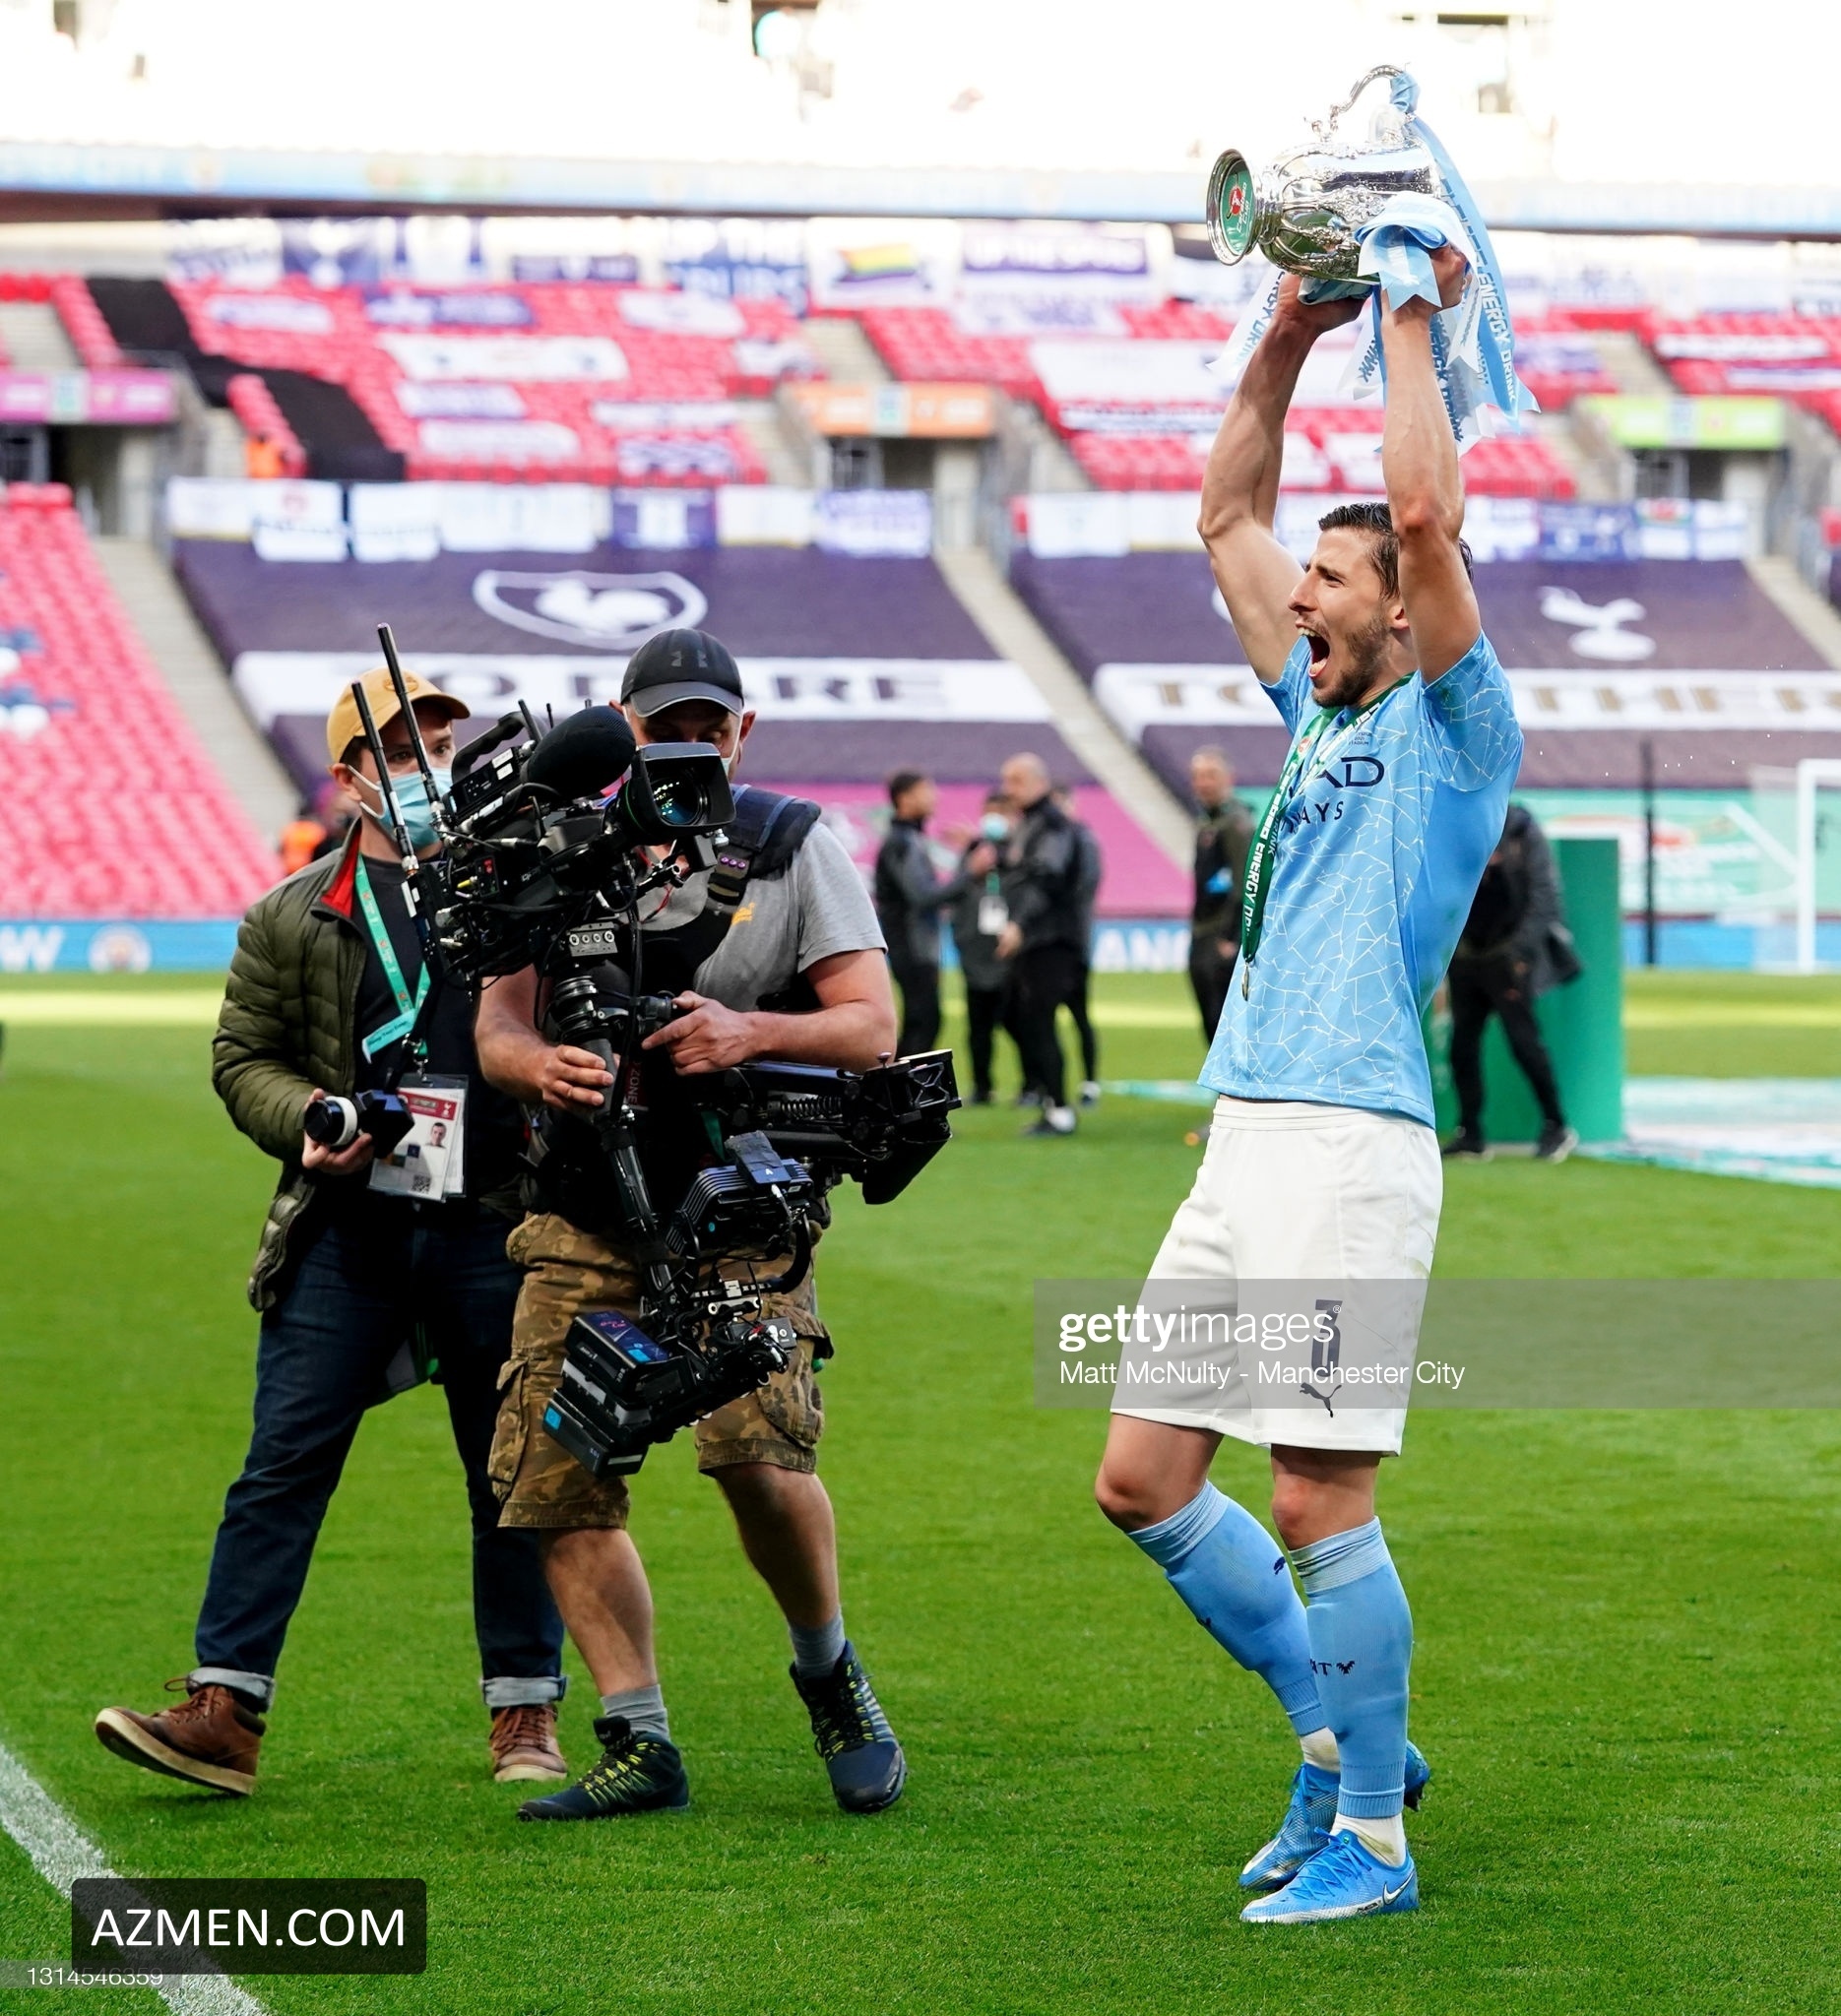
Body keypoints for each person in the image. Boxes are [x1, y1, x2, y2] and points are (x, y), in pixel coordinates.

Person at [1093, 252, 1522, 1923]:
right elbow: (1223, 514)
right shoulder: (1315, 713)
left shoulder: (1452, 725)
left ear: (1403, 608)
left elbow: (1420, 515)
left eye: (1329, 583)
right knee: (1142, 1478)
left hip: (1349, 1146)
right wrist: (1283, 334)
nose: (1301, 601)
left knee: (1312, 1491)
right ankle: (1344, 1743)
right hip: (1249, 1136)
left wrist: (1406, 304)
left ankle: (1374, 1842)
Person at [95, 668, 569, 1798]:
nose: (430, 767)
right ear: (350, 776)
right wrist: (308, 1117)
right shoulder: (292, 911)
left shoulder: (518, 891)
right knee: (282, 1462)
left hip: (493, 1217)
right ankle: (224, 1710)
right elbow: (242, 1057)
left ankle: (526, 1709)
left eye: (442, 744)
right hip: (344, 1224)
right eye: (402, 750)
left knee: (510, 1471)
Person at [474, 626, 910, 1823]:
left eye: (707, 728)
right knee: (553, 1472)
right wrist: (534, 1064)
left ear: (742, 732)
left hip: (738, 1203)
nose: (687, 748)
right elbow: (498, 1022)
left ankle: (829, 1672)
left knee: (758, 1450)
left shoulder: (790, 842)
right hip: (580, 1201)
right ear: (623, 729)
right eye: (663, 728)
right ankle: (639, 1734)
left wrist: (745, 1029)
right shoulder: (556, 845)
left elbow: (872, 1024)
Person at [1444, 802, 1580, 1163]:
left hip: (1506, 957)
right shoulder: (1453, 823)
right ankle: (1470, 1133)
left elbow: (1544, 898)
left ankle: (1556, 1125)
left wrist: (1518, 954)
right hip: (1466, 955)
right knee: (1461, 1047)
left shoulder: (1520, 829)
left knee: (1524, 1043)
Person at [995, 752, 1084, 1138]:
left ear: (1039, 783)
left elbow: (1046, 877)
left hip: (1050, 939)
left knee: (1040, 1020)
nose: (1009, 789)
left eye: (1016, 781)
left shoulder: (1052, 824)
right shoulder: (1030, 822)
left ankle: (1059, 1109)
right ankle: (1048, 1096)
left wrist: (1020, 923)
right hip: (1034, 938)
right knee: (1018, 1015)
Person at [873, 769, 990, 1056]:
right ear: (905, 798)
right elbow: (923, 896)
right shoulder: (902, 842)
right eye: (926, 790)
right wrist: (970, 873)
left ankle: (898, 1082)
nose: (934, 796)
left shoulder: (908, 839)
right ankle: (895, 1083)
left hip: (916, 945)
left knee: (924, 1021)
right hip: (910, 945)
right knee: (923, 1022)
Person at [948, 792, 1022, 1104]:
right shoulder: (972, 856)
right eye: (989, 812)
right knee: (978, 1028)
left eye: (999, 812)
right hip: (975, 955)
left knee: (1018, 1023)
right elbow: (955, 895)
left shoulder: (1018, 854)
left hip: (1008, 956)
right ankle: (982, 1086)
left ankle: (1032, 1085)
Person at [1187, 746, 1254, 1042]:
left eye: (1211, 775)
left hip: (1221, 936)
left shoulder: (1235, 823)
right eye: (1198, 776)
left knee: (1222, 1024)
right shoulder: (1207, 822)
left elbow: (1244, 883)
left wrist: (1232, 937)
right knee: (1209, 1021)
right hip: (1203, 931)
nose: (1203, 783)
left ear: (1229, 778)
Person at [1052, 784, 1104, 1105]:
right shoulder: (1057, 840)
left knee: (1079, 1014)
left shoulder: (1082, 840)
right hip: (1061, 942)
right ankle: (1047, 1085)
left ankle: (1089, 1082)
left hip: (1072, 943)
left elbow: (1084, 889)